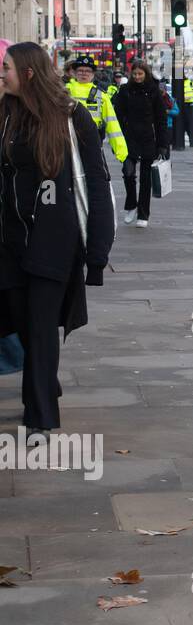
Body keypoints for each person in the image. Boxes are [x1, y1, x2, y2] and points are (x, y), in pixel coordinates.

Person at [0, 42, 114, 438]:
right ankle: (45, 380)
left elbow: (95, 182)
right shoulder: (6, 114)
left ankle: (40, 415)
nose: (2, 74)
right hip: (10, 239)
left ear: (28, 73)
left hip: (53, 238)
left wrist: (98, 249)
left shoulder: (70, 116)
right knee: (20, 321)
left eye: (7, 68)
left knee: (40, 323)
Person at [111, 60, 169, 228]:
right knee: (128, 172)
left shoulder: (154, 92)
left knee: (145, 178)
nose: (137, 77)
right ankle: (131, 205)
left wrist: (162, 144)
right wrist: (117, 140)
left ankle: (143, 213)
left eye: (140, 74)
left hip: (148, 138)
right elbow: (117, 117)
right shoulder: (125, 91)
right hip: (129, 138)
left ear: (146, 74)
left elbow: (161, 120)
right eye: (134, 74)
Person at [64, 55, 105, 141]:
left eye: (88, 71)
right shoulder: (65, 91)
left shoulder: (100, 94)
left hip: (93, 139)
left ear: (93, 74)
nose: (84, 73)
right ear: (74, 73)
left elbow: (112, 123)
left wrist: (120, 149)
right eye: (80, 70)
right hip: (69, 139)